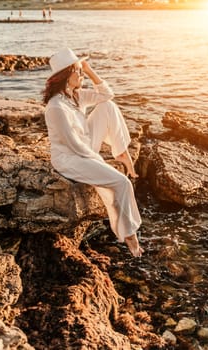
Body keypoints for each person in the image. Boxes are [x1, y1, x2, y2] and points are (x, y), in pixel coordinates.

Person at [43, 47, 144, 257]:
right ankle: (129, 236)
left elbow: (107, 94)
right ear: (66, 76)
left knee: (107, 106)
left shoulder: (75, 96)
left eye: (81, 71)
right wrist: (99, 162)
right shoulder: (56, 107)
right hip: (69, 158)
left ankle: (121, 152)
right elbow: (73, 145)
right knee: (121, 183)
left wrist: (89, 70)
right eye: (78, 71)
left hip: (84, 144)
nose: (81, 75)